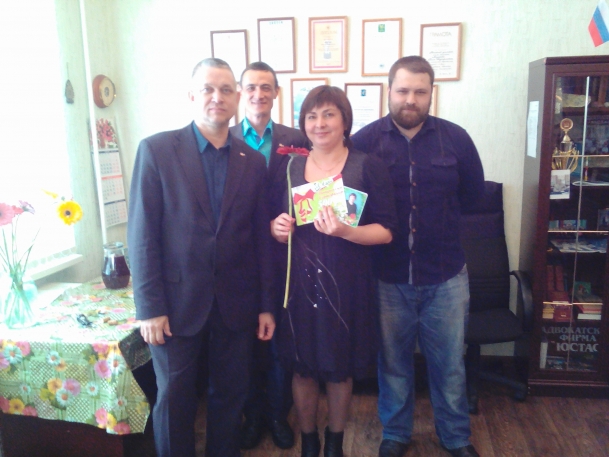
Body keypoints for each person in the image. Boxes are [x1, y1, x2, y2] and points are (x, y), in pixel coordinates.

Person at [127, 57, 276, 457]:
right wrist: (150, 308)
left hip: (236, 304)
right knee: (174, 397)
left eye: (226, 90)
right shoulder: (157, 150)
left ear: (237, 98)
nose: (217, 97)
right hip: (175, 306)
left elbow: (259, 241)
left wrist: (266, 305)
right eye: (208, 89)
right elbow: (142, 236)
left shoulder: (253, 161)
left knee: (230, 395)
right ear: (191, 96)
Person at [351, 56, 485, 457]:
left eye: (420, 91)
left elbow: (473, 197)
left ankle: (456, 437)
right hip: (387, 276)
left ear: (431, 94)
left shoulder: (456, 139)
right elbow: (350, 204)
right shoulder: (363, 142)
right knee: (393, 364)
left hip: (445, 275)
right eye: (403, 90)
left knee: (450, 365)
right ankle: (395, 433)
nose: (411, 99)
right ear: (389, 91)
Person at [272, 86, 397, 457]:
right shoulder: (290, 168)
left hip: (348, 285)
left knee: (340, 368)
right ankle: (309, 441)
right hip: (299, 285)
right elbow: (274, 223)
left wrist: (346, 231)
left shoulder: (367, 166)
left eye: (329, 114)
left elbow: (387, 231)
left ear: (345, 120)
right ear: (303, 124)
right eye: (311, 116)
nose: (320, 123)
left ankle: (335, 443)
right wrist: (277, 229)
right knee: (302, 368)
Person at [229, 61, 308, 450]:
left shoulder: (298, 138)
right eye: (250, 87)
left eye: (266, 87)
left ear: (277, 92)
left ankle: (278, 414)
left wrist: (292, 221)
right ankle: (252, 415)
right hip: (236, 261)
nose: (258, 94)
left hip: (283, 259)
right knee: (243, 346)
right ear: (240, 93)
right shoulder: (222, 137)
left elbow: (314, 187)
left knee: (280, 344)